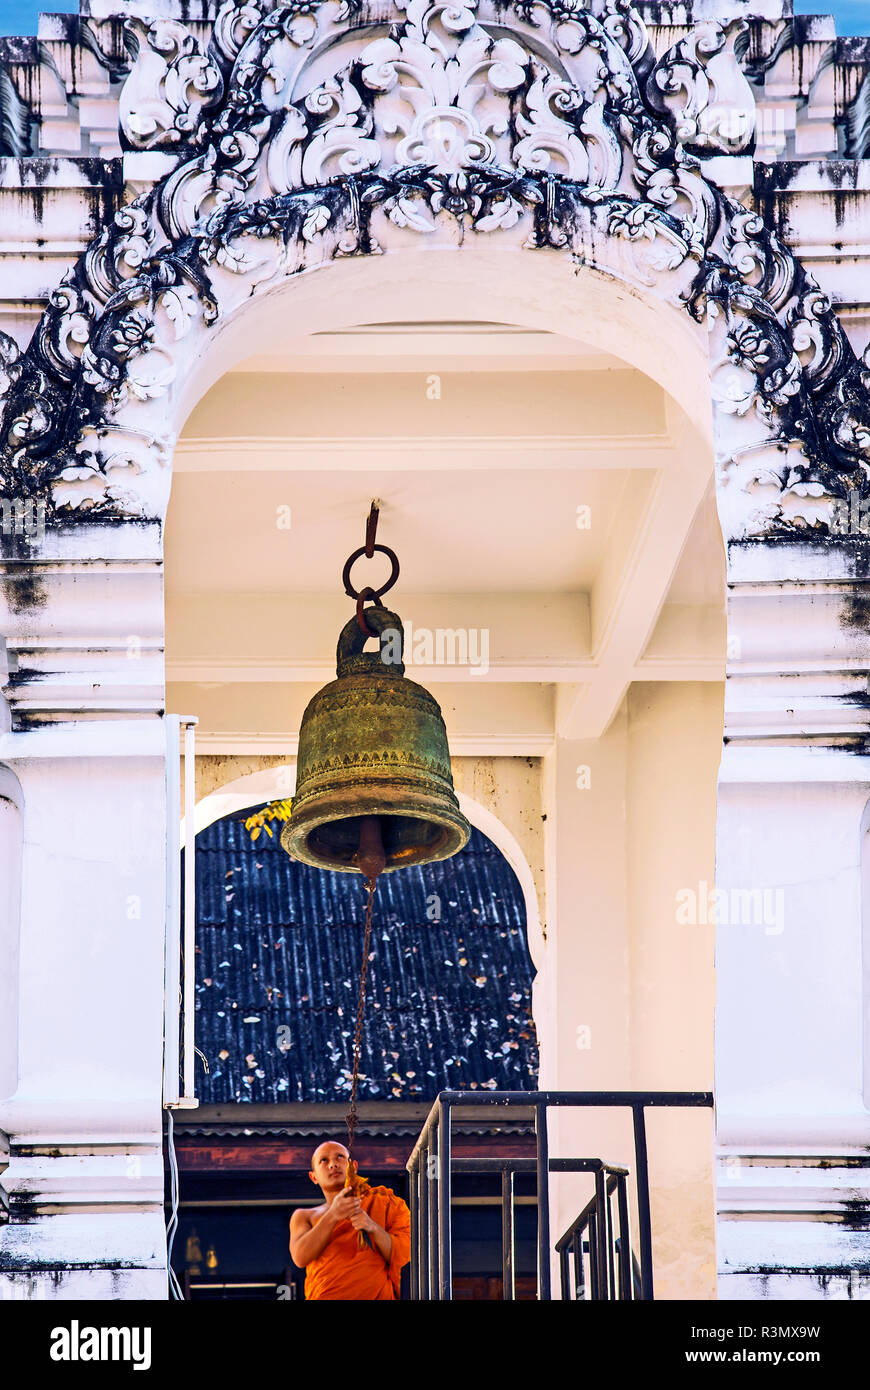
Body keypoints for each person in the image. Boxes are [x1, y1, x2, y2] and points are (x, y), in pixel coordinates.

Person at [290, 1140, 411, 1300]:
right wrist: (333, 1215)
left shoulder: (382, 1202)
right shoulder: (305, 1216)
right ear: (314, 1177)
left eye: (340, 1157)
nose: (333, 1164)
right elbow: (300, 1257)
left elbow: (403, 1254)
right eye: (324, 1160)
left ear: (353, 1167)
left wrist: (371, 1226)